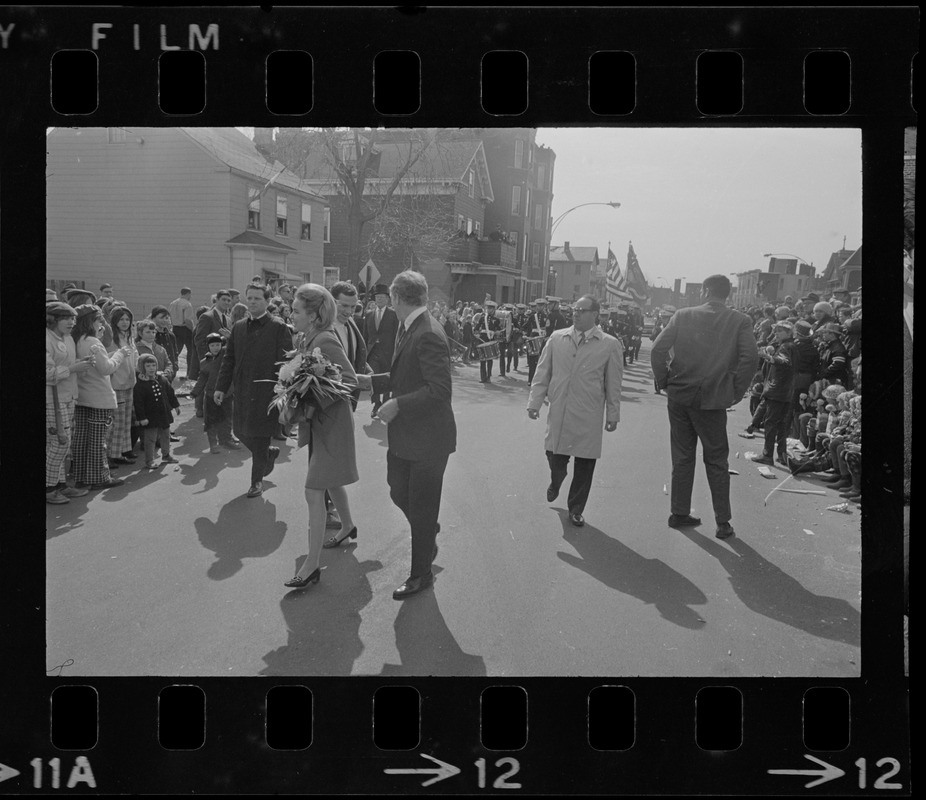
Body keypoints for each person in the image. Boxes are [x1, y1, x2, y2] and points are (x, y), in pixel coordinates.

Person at [355, 270, 456, 599]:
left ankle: (420, 574)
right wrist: (374, 382)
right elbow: (408, 373)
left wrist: (398, 403)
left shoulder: (427, 331)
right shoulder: (412, 324)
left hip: (428, 440)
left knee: (422, 508)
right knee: (398, 491)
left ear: (396, 298)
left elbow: (439, 391)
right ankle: (429, 532)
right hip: (407, 436)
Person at [650, 274, 756, 540]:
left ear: (706, 291)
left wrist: (664, 381)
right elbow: (750, 358)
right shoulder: (739, 321)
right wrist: (735, 392)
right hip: (713, 401)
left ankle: (679, 512)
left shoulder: (683, 315)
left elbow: (657, 350)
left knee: (683, 456)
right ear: (727, 294)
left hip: (680, 396)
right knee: (717, 460)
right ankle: (722, 522)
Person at [282, 284, 361, 588]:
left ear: (313, 314)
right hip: (321, 424)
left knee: (314, 491)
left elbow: (350, 381)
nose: (292, 314)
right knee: (329, 481)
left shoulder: (325, 339)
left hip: (333, 426)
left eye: (297, 310)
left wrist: (308, 397)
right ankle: (348, 526)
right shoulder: (307, 338)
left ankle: (311, 565)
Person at [526, 295, 623, 527]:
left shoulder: (609, 344)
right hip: (560, 408)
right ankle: (556, 479)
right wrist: (534, 402)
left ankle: (576, 508)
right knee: (554, 454)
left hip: (588, 413)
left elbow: (614, 384)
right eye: (574, 309)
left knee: (585, 462)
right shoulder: (558, 338)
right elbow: (542, 373)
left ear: (595, 314)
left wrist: (612, 414)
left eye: (582, 310)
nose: (576, 314)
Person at [214, 283, 294, 498]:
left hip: (266, 392)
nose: (252, 301)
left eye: (257, 298)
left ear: (268, 302)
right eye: (249, 297)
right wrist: (221, 387)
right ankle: (268, 454)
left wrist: (282, 390)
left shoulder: (278, 327)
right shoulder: (239, 326)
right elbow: (229, 359)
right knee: (240, 431)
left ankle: (256, 482)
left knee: (259, 437)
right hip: (242, 389)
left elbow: (285, 362)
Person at [70, 304, 134, 490]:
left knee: (82, 438)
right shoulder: (93, 341)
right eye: (99, 320)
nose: (101, 324)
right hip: (98, 396)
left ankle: (82, 476)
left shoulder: (77, 339)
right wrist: (121, 354)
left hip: (82, 395)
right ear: (91, 321)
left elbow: (98, 362)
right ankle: (100, 477)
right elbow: (106, 368)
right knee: (98, 440)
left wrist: (111, 354)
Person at [46, 302, 93, 503]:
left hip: (68, 397)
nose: (71, 322)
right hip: (52, 400)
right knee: (59, 444)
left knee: (63, 444)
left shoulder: (67, 338)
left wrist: (82, 365)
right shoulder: (46, 339)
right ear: (53, 319)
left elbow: (68, 366)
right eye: (67, 318)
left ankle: (62, 485)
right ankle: (49, 489)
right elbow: (48, 374)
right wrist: (74, 368)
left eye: (73, 319)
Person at [749, 321, 795, 467]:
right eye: (775, 331)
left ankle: (767, 455)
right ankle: (782, 455)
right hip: (786, 391)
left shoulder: (785, 346)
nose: (776, 334)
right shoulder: (792, 346)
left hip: (777, 391)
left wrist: (768, 357)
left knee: (770, 423)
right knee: (781, 424)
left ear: (789, 333)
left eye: (780, 331)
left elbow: (785, 362)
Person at [190, 333, 240, 453]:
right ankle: (213, 443)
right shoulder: (204, 362)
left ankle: (226, 440)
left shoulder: (226, 359)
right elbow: (202, 380)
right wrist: (195, 393)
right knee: (211, 421)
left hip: (226, 394)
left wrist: (230, 337)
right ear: (208, 347)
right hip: (211, 396)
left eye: (218, 345)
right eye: (212, 345)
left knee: (227, 418)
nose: (215, 348)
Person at [133, 353, 181, 469]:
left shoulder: (162, 379)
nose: (151, 368)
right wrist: (142, 418)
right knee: (150, 439)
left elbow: (170, 393)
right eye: (148, 366)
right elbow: (138, 403)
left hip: (163, 413)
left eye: (153, 365)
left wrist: (176, 406)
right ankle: (149, 461)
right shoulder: (140, 385)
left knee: (166, 435)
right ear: (142, 367)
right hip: (150, 417)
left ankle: (166, 455)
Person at [106, 306, 139, 466]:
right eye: (121, 319)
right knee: (116, 422)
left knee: (126, 421)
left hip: (129, 383)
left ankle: (123, 450)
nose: (125, 322)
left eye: (127, 319)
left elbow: (135, 358)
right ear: (114, 321)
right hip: (116, 384)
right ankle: (112, 453)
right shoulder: (112, 339)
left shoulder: (130, 338)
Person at [193, 291, 234, 418]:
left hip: (222, 358)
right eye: (224, 299)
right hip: (210, 358)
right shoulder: (207, 316)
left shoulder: (227, 318)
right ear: (216, 300)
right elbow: (199, 340)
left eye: (228, 300)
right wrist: (206, 358)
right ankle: (200, 409)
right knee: (205, 382)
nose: (226, 302)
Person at [362, 284, 399, 416]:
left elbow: (397, 335)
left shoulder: (393, 315)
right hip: (373, 352)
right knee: (374, 378)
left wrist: (396, 352)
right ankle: (376, 404)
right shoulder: (369, 314)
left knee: (386, 377)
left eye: (382, 297)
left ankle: (386, 402)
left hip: (388, 352)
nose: (379, 300)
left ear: (388, 299)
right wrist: (364, 352)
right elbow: (365, 336)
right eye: (377, 297)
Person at [169, 288, 196, 380]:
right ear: (188, 294)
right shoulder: (187, 304)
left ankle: (172, 371)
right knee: (191, 351)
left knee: (175, 351)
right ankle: (189, 373)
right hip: (185, 329)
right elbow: (188, 320)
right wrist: (192, 329)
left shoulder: (173, 303)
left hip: (175, 328)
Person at [522, 299, 548, 386]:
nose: (539, 307)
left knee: (541, 361)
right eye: (538, 305)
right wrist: (524, 334)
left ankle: (539, 380)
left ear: (544, 306)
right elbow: (525, 327)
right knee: (532, 360)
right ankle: (530, 379)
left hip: (542, 339)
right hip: (533, 338)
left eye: (541, 305)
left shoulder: (547, 316)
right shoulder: (533, 317)